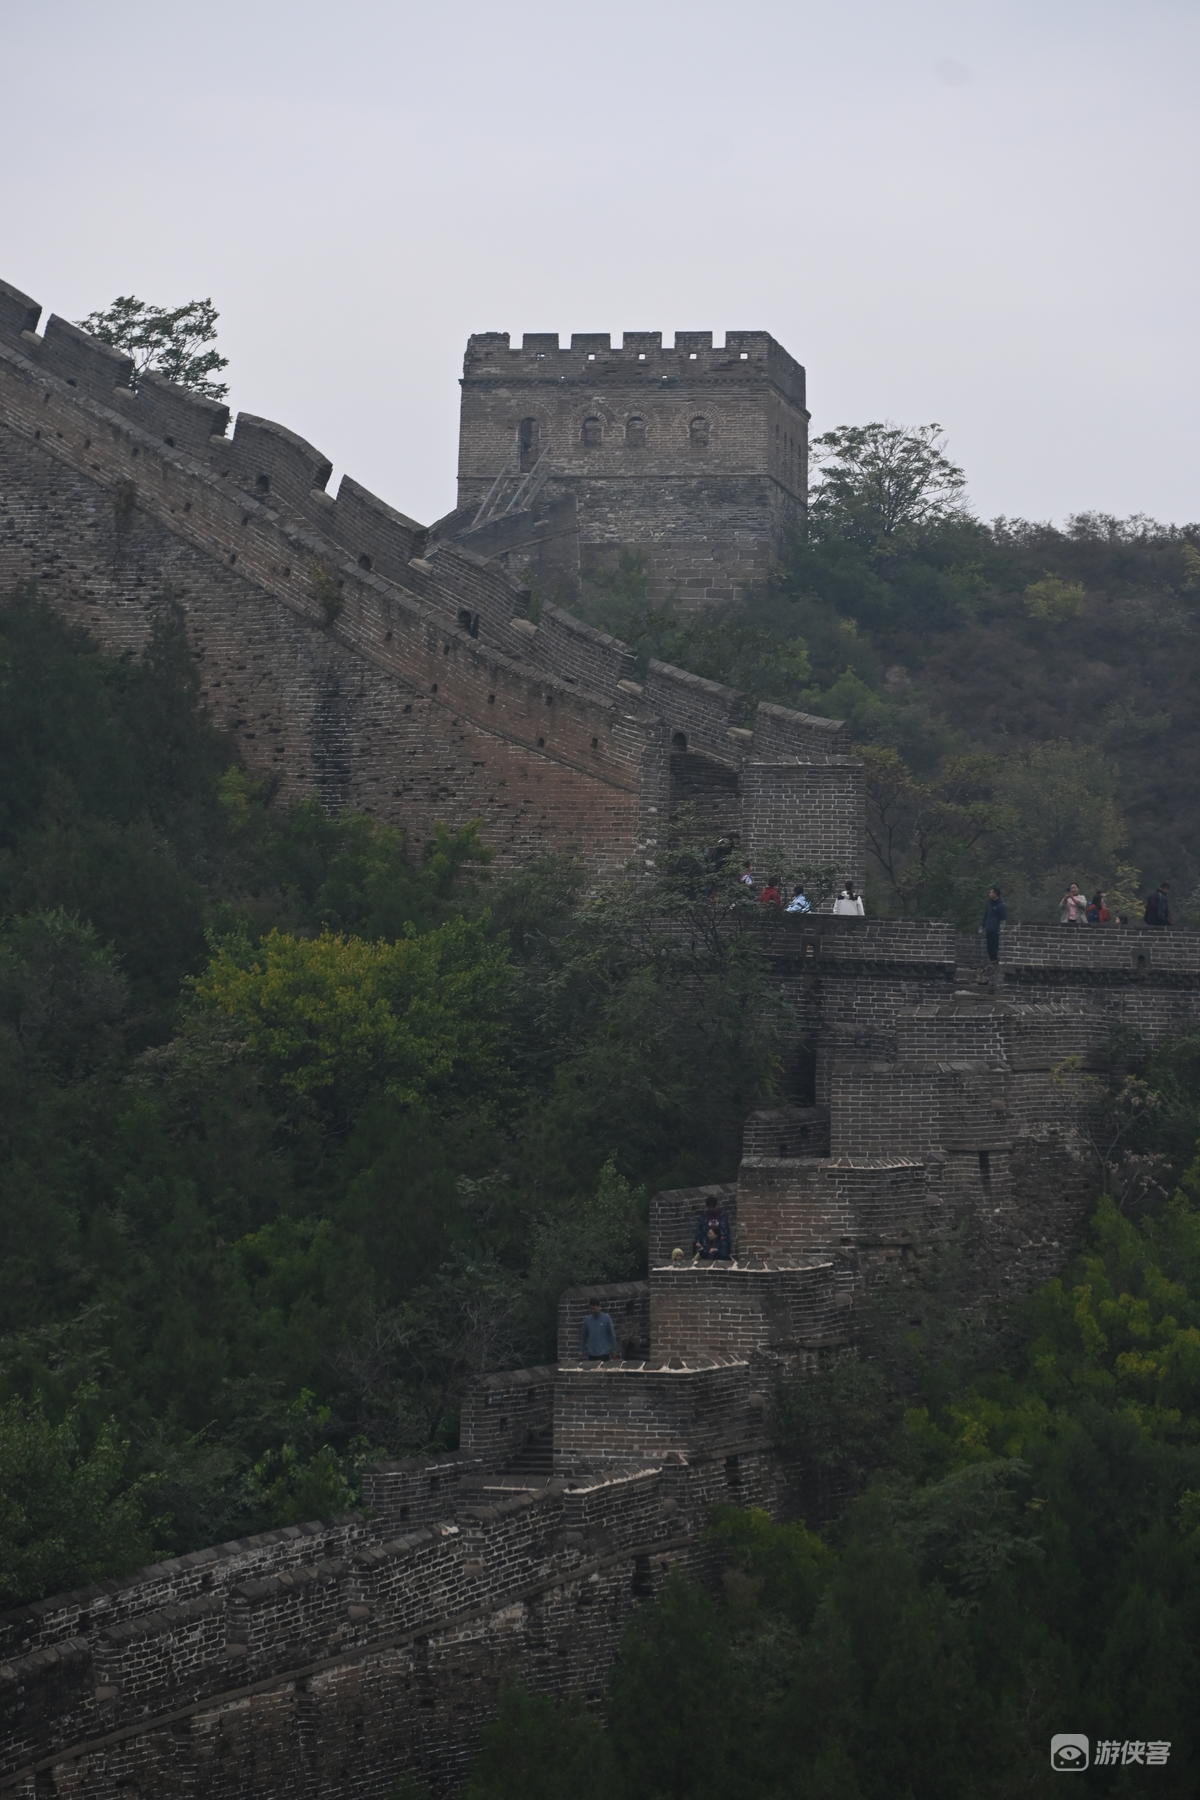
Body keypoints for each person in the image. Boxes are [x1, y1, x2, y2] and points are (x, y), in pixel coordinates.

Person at [981, 884, 1007, 963]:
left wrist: (1001, 929)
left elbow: (1003, 918)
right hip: (989, 928)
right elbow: (986, 915)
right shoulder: (989, 903)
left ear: (995, 894)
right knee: (989, 947)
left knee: (995, 946)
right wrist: (982, 926)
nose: (989, 894)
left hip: (996, 930)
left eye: (991, 892)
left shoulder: (1001, 905)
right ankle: (993, 962)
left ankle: (996, 962)